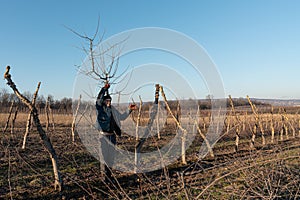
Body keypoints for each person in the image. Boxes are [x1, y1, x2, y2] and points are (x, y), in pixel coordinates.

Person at [96, 83, 136, 182]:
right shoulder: (100, 109)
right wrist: (104, 89)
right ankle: (104, 178)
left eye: (110, 100)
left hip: (112, 137)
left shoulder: (113, 110)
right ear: (104, 101)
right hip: (103, 136)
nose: (108, 102)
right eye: (107, 100)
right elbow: (98, 100)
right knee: (104, 158)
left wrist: (129, 110)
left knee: (111, 158)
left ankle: (109, 177)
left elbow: (122, 117)